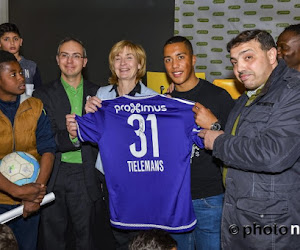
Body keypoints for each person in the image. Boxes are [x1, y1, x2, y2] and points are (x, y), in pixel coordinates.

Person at [196, 29, 300, 249]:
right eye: (234, 62)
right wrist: (216, 130)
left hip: (272, 226)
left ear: (272, 56)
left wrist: (217, 142)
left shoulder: (293, 91)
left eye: (248, 57)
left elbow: (273, 153)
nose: (239, 68)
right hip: (241, 215)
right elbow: (242, 141)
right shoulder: (247, 97)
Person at [33, 37, 115, 250]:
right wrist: (70, 136)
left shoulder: (100, 94)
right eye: (65, 55)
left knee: (86, 238)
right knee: (52, 239)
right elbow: (43, 138)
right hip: (54, 174)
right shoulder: (41, 95)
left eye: (76, 56)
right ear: (57, 60)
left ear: (85, 61)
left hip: (85, 175)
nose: (70, 61)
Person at [80, 40, 157, 249]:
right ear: (112, 65)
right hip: (105, 177)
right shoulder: (101, 95)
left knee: (135, 236)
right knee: (108, 235)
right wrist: (87, 115)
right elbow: (91, 135)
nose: (123, 63)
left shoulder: (153, 98)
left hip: (137, 179)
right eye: (117, 57)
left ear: (140, 64)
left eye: (129, 57)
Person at [163, 36, 234, 250]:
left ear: (193, 60)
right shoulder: (164, 101)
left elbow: (236, 144)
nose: (174, 65)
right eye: (167, 59)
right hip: (176, 199)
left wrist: (214, 125)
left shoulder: (218, 96)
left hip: (210, 198)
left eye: (180, 57)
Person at [0, 50, 55, 250]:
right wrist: (17, 191)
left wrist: (36, 194)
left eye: (20, 72)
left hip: (29, 202)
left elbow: (48, 149)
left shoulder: (35, 106)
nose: (21, 77)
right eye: (12, 74)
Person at [0, 23, 42, 95]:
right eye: (6, 39)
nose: (12, 43)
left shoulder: (31, 66)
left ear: (21, 41)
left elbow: (39, 92)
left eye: (15, 39)